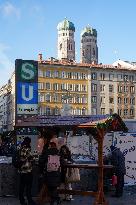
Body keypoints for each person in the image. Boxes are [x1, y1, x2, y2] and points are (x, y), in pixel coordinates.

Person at [38, 138, 61, 205]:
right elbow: (63, 162)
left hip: (49, 172)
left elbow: (41, 161)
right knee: (54, 187)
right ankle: (55, 199)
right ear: (55, 145)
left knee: (50, 186)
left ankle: (54, 200)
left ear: (50, 146)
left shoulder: (47, 152)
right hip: (56, 173)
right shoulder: (58, 152)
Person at [18, 137, 35, 205]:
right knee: (28, 187)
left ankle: (22, 201)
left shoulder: (20, 148)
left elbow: (21, 158)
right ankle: (30, 201)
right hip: (27, 170)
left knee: (21, 187)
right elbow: (31, 158)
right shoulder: (27, 149)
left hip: (21, 171)